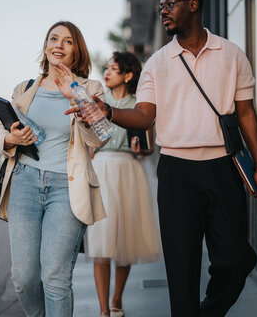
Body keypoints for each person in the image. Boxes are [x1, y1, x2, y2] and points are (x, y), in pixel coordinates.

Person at [67, 0, 257, 316]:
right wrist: (110, 111)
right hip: (176, 173)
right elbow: (145, 116)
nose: (163, 9)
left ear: (193, 5)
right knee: (181, 268)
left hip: (224, 168)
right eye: (161, 5)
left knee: (235, 260)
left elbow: (246, 112)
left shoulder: (231, 54)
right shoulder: (158, 63)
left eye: (170, 3)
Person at [0, 21, 107, 316]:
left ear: (76, 50)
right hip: (24, 182)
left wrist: (76, 96)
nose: (59, 45)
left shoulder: (90, 88)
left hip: (67, 188)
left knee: (55, 278)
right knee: (24, 279)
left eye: (67, 41)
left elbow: (101, 135)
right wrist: (10, 137)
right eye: (53, 39)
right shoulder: (25, 88)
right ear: (45, 47)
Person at [85, 52, 161, 317]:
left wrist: (141, 150)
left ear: (128, 75)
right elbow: (89, 139)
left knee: (124, 242)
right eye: (106, 68)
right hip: (102, 169)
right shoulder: (98, 102)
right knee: (100, 242)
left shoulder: (140, 104)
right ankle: (104, 310)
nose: (106, 72)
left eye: (113, 68)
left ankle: (117, 301)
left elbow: (150, 147)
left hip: (129, 171)